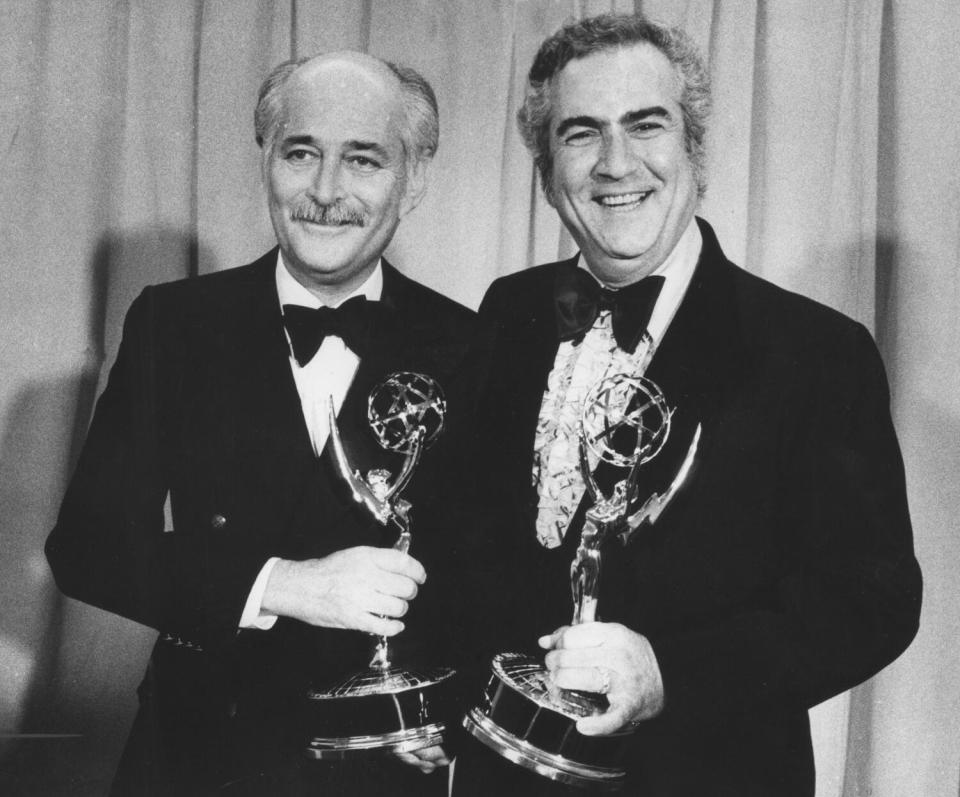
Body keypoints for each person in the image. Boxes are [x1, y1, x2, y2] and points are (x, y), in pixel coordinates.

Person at [454, 13, 921, 797]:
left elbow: (871, 598)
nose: (615, 163)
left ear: (694, 151)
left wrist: (669, 673)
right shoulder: (509, 310)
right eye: (580, 133)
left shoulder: (814, 351)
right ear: (544, 169)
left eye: (646, 125)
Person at [46, 51, 478, 796]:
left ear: (413, 182)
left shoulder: (471, 344)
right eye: (300, 152)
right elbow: (87, 545)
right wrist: (281, 583)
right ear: (266, 162)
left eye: (364, 160)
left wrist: (450, 707)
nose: (324, 191)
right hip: (196, 754)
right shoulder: (174, 325)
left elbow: (487, 573)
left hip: (378, 762)